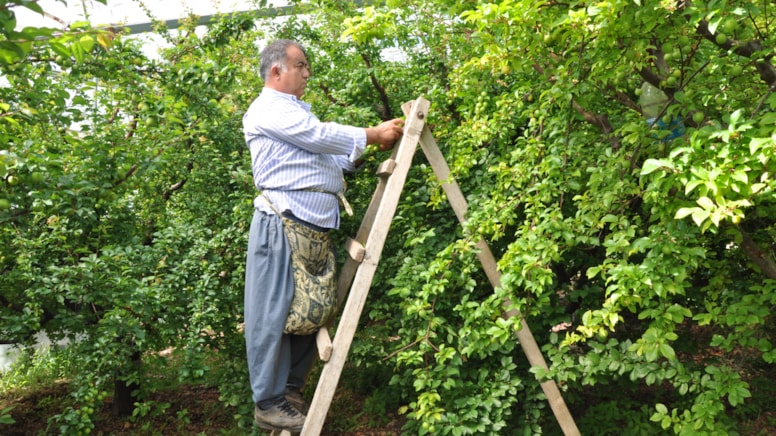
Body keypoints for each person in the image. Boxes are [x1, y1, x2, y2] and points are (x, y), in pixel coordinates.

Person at [242, 39, 404, 433]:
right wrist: (370, 133)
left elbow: (330, 155)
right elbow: (317, 136)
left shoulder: (297, 114)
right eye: (300, 65)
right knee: (273, 313)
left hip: (313, 227)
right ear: (276, 71)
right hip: (282, 223)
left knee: (312, 310)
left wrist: (367, 145)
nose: (307, 73)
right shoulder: (267, 108)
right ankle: (267, 401)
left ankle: (289, 392)